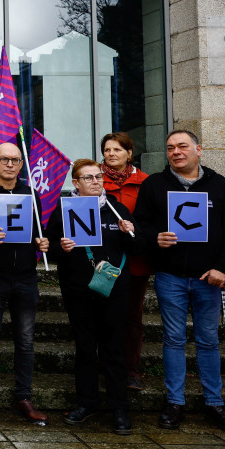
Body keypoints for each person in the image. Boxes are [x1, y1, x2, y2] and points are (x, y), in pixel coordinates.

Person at [133, 129, 225, 433]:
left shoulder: (219, 186)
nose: (176, 152)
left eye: (182, 146)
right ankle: (175, 402)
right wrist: (155, 238)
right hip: (171, 277)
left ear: (198, 149)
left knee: (208, 340)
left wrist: (224, 268)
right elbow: (140, 226)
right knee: (173, 340)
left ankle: (213, 403)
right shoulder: (155, 185)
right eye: (170, 148)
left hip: (209, 277)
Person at [48, 158, 140, 436]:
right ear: (75, 183)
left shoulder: (118, 209)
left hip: (114, 288)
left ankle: (119, 407)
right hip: (79, 289)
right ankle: (86, 402)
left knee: (114, 347)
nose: (95, 181)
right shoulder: (63, 211)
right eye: (87, 178)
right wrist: (61, 247)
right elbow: (47, 251)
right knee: (85, 347)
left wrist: (129, 233)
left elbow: (137, 247)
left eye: (98, 176)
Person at [0, 142, 50, 426]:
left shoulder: (31, 194)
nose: (10, 164)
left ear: (21, 164)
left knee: (26, 342)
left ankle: (23, 398)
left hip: (26, 275)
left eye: (15, 160)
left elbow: (39, 230)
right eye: (4, 159)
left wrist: (42, 243)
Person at [100, 132, 151, 391]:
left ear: (129, 153)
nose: (111, 154)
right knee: (102, 315)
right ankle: (104, 365)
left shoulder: (145, 183)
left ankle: (130, 370)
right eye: (107, 150)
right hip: (103, 261)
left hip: (134, 261)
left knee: (132, 318)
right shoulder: (94, 182)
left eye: (118, 149)